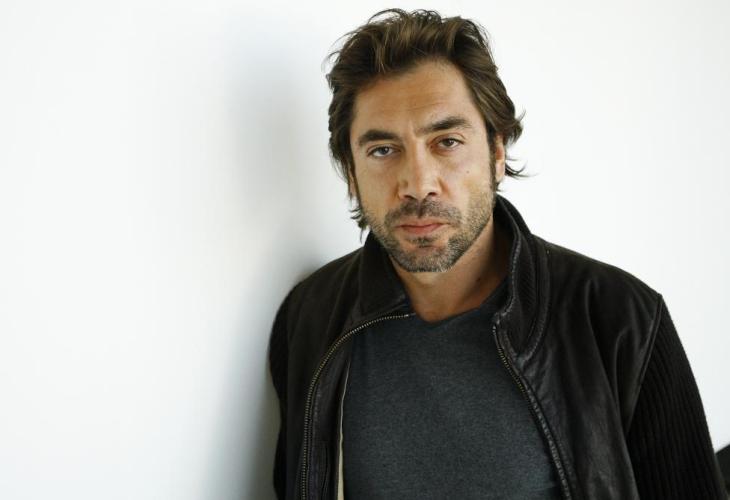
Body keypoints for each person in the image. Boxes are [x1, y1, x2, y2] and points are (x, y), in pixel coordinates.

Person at [267, 8, 726, 500]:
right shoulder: (311, 318)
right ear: (351, 173)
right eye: (383, 150)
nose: (417, 183)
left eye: (447, 142)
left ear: (497, 151)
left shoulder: (621, 320)